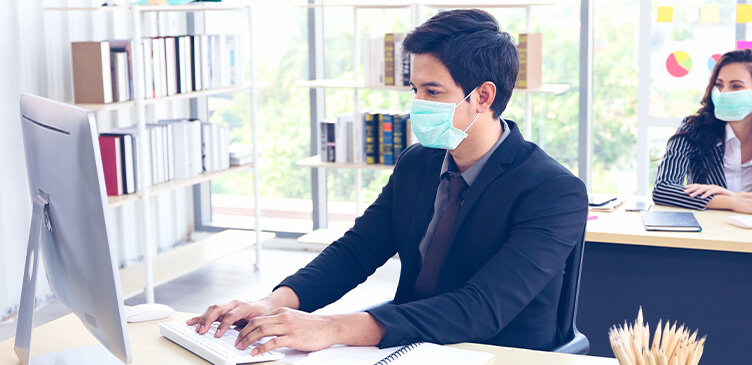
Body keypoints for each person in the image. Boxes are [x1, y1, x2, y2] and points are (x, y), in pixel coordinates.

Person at [187, 9, 588, 356]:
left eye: (433, 91)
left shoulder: (553, 191)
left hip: (497, 352)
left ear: (483, 97)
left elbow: (480, 308)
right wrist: (271, 303)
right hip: (413, 344)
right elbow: (356, 252)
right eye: (415, 90)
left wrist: (328, 328)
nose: (418, 104)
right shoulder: (419, 163)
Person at [653, 49, 752, 217]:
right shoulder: (693, 128)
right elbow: (663, 188)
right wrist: (732, 202)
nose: (723, 93)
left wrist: (741, 197)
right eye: (719, 85)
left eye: (736, 86)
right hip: (708, 235)